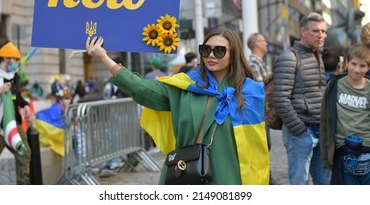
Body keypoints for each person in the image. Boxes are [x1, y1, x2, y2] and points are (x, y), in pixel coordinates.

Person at [85, 27, 269, 185]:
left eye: (219, 51)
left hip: (231, 178)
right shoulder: (186, 85)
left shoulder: (250, 92)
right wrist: (104, 58)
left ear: (233, 54)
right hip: (188, 173)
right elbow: (142, 89)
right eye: (206, 50)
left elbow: (257, 147)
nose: (211, 55)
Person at [272, 12, 332, 185]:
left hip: (320, 130)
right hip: (301, 132)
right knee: (300, 184)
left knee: (324, 184)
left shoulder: (317, 55)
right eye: (315, 31)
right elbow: (280, 99)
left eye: (323, 31)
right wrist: (300, 131)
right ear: (303, 32)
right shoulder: (289, 57)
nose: (320, 35)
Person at [0, 41, 32, 184]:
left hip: (13, 125)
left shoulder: (13, 76)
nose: (17, 63)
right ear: (6, 59)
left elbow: (17, 97)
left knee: (24, 154)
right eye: (15, 59)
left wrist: (25, 105)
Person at [320, 43, 370, 184]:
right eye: (353, 64)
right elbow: (324, 120)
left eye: (362, 66)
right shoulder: (335, 86)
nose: (356, 70)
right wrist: (326, 157)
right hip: (343, 152)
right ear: (346, 63)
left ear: (368, 67)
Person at [246, 32, 279, 185]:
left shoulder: (259, 62)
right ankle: (265, 178)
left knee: (265, 145)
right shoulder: (253, 63)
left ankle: (266, 177)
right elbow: (259, 88)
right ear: (257, 44)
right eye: (263, 41)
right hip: (259, 111)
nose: (266, 43)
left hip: (261, 110)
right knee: (263, 145)